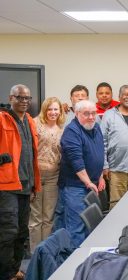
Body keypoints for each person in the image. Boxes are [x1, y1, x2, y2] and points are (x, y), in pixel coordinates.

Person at [0, 85, 41, 280]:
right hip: (6, 186)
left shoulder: (30, 121)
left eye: (27, 98)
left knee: (22, 232)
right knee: (8, 231)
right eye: (20, 97)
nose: (24, 101)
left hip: (26, 185)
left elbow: (32, 154)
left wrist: (34, 185)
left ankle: (14, 269)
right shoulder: (2, 119)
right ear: (11, 98)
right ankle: (5, 273)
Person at [56, 100, 105, 246]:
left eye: (93, 113)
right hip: (75, 187)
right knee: (76, 227)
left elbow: (100, 153)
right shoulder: (71, 131)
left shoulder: (95, 127)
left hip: (92, 184)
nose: (91, 117)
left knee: (88, 227)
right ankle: (73, 263)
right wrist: (88, 182)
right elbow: (76, 161)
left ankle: (85, 260)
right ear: (76, 114)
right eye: (86, 114)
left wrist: (100, 176)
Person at [28, 97, 65, 253]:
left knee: (48, 217)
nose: (53, 112)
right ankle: (35, 252)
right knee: (36, 218)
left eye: (56, 109)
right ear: (44, 110)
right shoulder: (35, 125)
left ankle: (45, 251)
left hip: (53, 177)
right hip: (36, 176)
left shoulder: (62, 129)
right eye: (49, 109)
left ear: (60, 111)